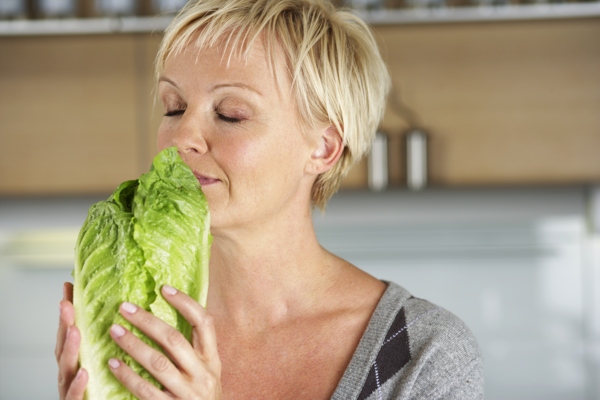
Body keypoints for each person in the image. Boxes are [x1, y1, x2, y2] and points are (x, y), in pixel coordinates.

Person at [56, 0, 484, 398]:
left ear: (322, 148)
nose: (182, 136)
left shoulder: (422, 351)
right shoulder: (136, 322)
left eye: (230, 114)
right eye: (174, 106)